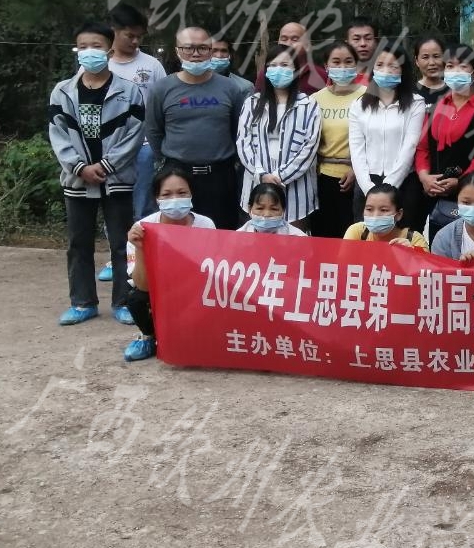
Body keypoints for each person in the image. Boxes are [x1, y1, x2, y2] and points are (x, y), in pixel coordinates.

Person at [50, 21, 146, 326]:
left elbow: (134, 135)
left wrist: (105, 166)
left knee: (122, 244)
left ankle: (123, 302)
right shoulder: (62, 91)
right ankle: (82, 303)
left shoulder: (129, 91)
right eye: (83, 46)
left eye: (96, 46)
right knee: (78, 243)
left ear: (109, 49)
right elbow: (57, 134)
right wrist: (79, 167)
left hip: (116, 180)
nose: (89, 52)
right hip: (77, 180)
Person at [146, 26, 245, 230]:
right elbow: (154, 130)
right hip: (177, 176)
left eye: (202, 48)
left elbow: (238, 130)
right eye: (189, 48)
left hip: (220, 176)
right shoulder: (161, 89)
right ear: (177, 51)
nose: (196, 54)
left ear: (210, 50)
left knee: (222, 234)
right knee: (178, 235)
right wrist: (167, 161)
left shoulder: (230, 88)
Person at [122, 165, 216, 361]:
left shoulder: (205, 225)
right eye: (167, 194)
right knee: (136, 298)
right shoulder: (142, 229)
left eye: (182, 193)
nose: (175, 199)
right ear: (157, 198)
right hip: (160, 291)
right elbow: (142, 285)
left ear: (191, 194)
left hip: (195, 292)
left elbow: (213, 274)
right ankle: (149, 337)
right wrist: (140, 248)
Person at [414, 43, 474, 234]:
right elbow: (423, 148)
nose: (456, 71)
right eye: (450, 66)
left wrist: (460, 183)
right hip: (435, 195)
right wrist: (424, 177)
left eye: (463, 66)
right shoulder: (437, 106)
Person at [236, 44, 322, 230]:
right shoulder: (252, 103)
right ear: (266, 71)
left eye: (284, 65)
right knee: (256, 240)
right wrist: (261, 174)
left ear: (296, 70)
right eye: (273, 65)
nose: (278, 70)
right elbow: (243, 142)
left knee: (293, 241)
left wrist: (279, 176)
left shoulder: (309, 105)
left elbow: (309, 147)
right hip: (256, 184)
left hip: (295, 192)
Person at [350, 44, 428, 224]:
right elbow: (356, 148)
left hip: (403, 183)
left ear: (403, 70)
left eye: (393, 66)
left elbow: (410, 146)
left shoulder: (416, 103)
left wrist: (389, 187)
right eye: (380, 65)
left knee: (403, 235)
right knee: (365, 236)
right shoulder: (358, 105)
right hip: (367, 183)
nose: (386, 71)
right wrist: (368, 188)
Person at [105, 4, 167, 223]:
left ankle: (144, 242)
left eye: (139, 37)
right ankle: (117, 243)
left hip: (144, 146)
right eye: (130, 36)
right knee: (113, 204)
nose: (135, 41)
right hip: (110, 147)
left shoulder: (152, 65)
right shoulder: (100, 65)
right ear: (113, 31)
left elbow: (163, 104)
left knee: (144, 205)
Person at [309, 41, 367, 237]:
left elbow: (374, 140)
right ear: (326, 66)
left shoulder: (368, 96)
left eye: (348, 62)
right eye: (336, 62)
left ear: (356, 65)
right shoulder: (315, 99)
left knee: (351, 237)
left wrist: (356, 170)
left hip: (357, 180)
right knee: (323, 236)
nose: (342, 67)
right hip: (321, 179)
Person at [343, 183, 429, 249]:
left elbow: (426, 265)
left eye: (384, 210)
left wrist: (413, 253)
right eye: (369, 209)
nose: (375, 216)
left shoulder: (414, 239)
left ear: (399, 214)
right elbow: (342, 262)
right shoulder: (357, 232)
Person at [236, 182, 308, 235]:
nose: (267, 214)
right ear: (250, 209)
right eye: (260, 208)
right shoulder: (238, 237)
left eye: (274, 209)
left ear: (283, 210)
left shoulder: (298, 237)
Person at [276, 21, 328, 94]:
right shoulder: (267, 75)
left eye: (294, 40)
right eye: (284, 39)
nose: (288, 44)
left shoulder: (321, 76)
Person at [414, 35, 448, 106]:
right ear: (417, 61)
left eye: (436, 56)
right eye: (425, 57)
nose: (432, 63)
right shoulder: (409, 93)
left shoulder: (454, 91)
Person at [345, 17, 378, 83]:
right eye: (356, 39)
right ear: (347, 43)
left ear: (376, 42)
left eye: (368, 38)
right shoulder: (337, 77)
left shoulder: (386, 77)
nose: (363, 44)